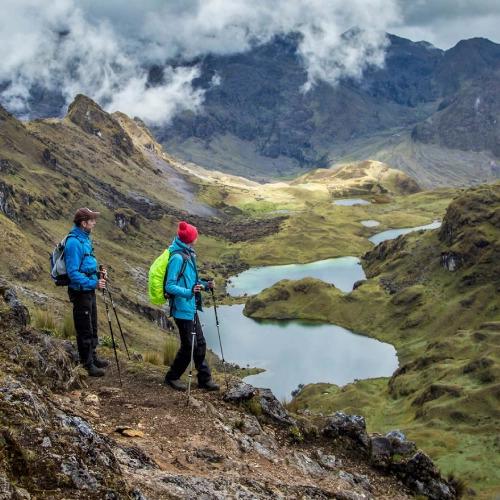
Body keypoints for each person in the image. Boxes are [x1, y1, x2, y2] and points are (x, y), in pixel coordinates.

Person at [164, 221, 219, 391]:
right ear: (190, 239)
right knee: (189, 346)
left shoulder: (188, 254)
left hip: (190, 307)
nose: (197, 237)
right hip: (181, 309)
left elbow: (192, 282)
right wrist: (189, 292)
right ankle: (172, 377)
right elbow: (169, 286)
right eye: (196, 235)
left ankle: (204, 379)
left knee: (200, 344)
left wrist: (205, 285)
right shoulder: (177, 258)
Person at [65, 207, 108, 377]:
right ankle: (87, 363)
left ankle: (93, 356)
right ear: (83, 223)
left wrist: (98, 274)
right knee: (84, 328)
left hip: (89, 289)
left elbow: (85, 265)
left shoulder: (85, 239)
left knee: (93, 324)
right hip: (80, 292)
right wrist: (93, 283)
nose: (94, 223)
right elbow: (73, 273)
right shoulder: (74, 243)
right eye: (91, 220)